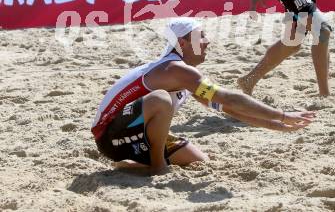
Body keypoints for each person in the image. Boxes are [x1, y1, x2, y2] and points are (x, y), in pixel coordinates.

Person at [91, 17, 316, 175]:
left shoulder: (183, 75)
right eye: (201, 36)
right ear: (182, 43)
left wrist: (274, 124)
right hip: (109, 136)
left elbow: (223, 107)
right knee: (160, 99)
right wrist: (282, 114)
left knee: (199, 161)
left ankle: (133, 165)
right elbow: (229, 98)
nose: (207, 41)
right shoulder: (177, 70)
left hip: (130, 135)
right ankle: (157, 167)